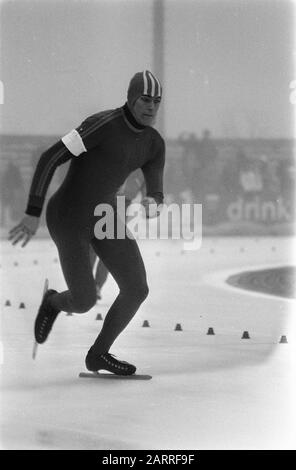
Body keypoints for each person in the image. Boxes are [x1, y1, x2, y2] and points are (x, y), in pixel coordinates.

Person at [9, 70, 165, 376]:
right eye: (145, 100)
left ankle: (99, 355)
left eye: (156, 102)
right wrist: (32, 212)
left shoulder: (153, 143)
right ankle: (53, 302)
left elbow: (157, 189)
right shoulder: (103, 125)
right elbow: (49, 158)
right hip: (68, 217)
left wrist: (153, 203)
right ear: (132, 99)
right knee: (83, 301)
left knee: (136, 289)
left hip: (104, 219)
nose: (151, 107)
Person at [90, 169, 145, 300]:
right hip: (105, 199)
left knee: (106, 247)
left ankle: (95, 286)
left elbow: (147, 190)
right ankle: (89, 284)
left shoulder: (143, 164)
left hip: (121, 202)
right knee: (96, 245)